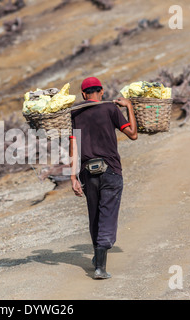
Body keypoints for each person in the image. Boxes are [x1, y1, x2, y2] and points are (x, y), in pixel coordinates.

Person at [69, 77, 137, 279]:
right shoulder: (110, 109)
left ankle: (98, 258)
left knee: (95, 216)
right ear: (101, 92)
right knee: (107, 214)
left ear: (83, 95)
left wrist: (72, 177)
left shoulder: (75, 114)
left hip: (87, 172)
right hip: (111, 171)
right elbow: (133, 134)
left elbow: (74, 148)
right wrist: (129, 107)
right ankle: (100, 267)